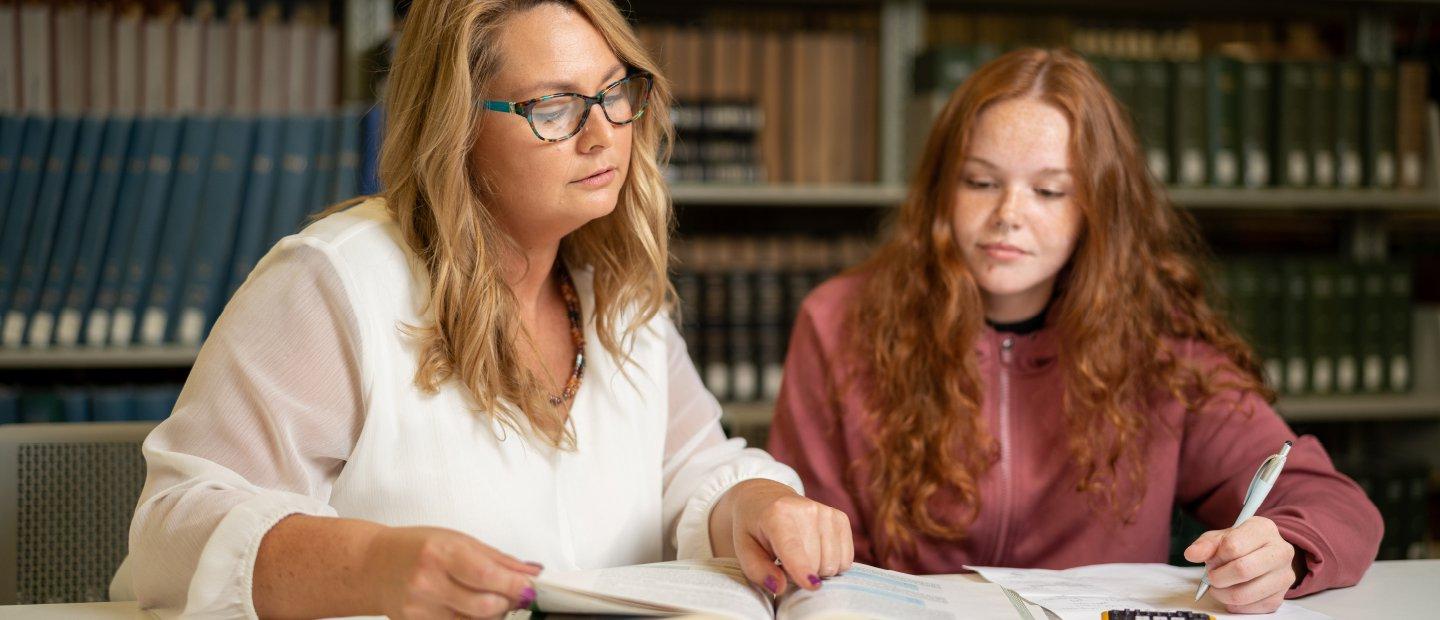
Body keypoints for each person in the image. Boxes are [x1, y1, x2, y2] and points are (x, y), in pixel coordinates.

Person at [122, 1, 852, 617]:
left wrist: (756, 505)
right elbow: (169, 532)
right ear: (456, 129)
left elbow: (693, 473)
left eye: (614, 91)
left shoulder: (616, 289)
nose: (603, 133)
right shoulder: (334, 281)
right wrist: (372, 563)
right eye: (554, 106)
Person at [766, 47, 1382, 615]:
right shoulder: (840, 322)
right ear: (939, 192)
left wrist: (1282, 548)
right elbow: (803, 534)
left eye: (1049, 190)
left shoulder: (1155, 337)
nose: (1008, 215)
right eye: (980, 182)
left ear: (1098, 206)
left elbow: (1335, 506)